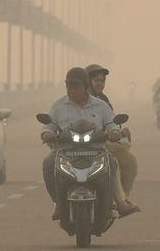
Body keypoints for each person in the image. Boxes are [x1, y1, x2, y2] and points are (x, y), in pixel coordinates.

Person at [41, 67, 141, 220]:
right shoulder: (58, 106)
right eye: (69, 87)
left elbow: (111, 125)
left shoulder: (101, 105)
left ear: (86, 87)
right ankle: (59, 204)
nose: (72, 91)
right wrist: (47, 134)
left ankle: (115, 202)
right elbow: (48, 126)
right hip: (65, 150)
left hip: (96, 150)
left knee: (112, 162)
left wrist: (114, 132)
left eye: (76, 87)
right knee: (48, 163)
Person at [85, 64, 139, 198]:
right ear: (87, 81)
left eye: (102, 81)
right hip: (78, 144)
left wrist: (118, 132)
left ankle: (122, 199)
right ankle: (59, 202)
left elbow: (111, 123)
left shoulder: (104, 101)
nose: (100, 83)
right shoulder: (77, 99)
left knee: (130, 160)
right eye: (96, 80)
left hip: (102, 143)